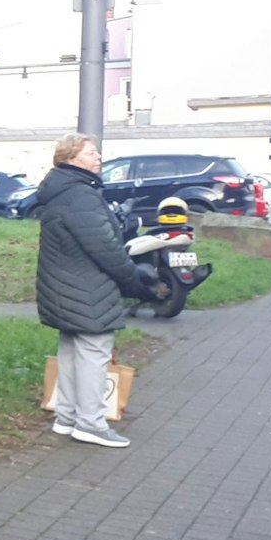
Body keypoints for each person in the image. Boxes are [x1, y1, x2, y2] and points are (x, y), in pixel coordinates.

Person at [33, 132, 166, 449]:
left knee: (70, 351)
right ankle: (91, 424)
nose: (98, 158)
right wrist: (134, 281)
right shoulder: (80, 196)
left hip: (61, 285)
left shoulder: (60, 192)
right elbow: (106, 248)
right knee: (94, 353)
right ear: (71, 159)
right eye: (91, 153)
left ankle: (66, 418)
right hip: (87, 288)